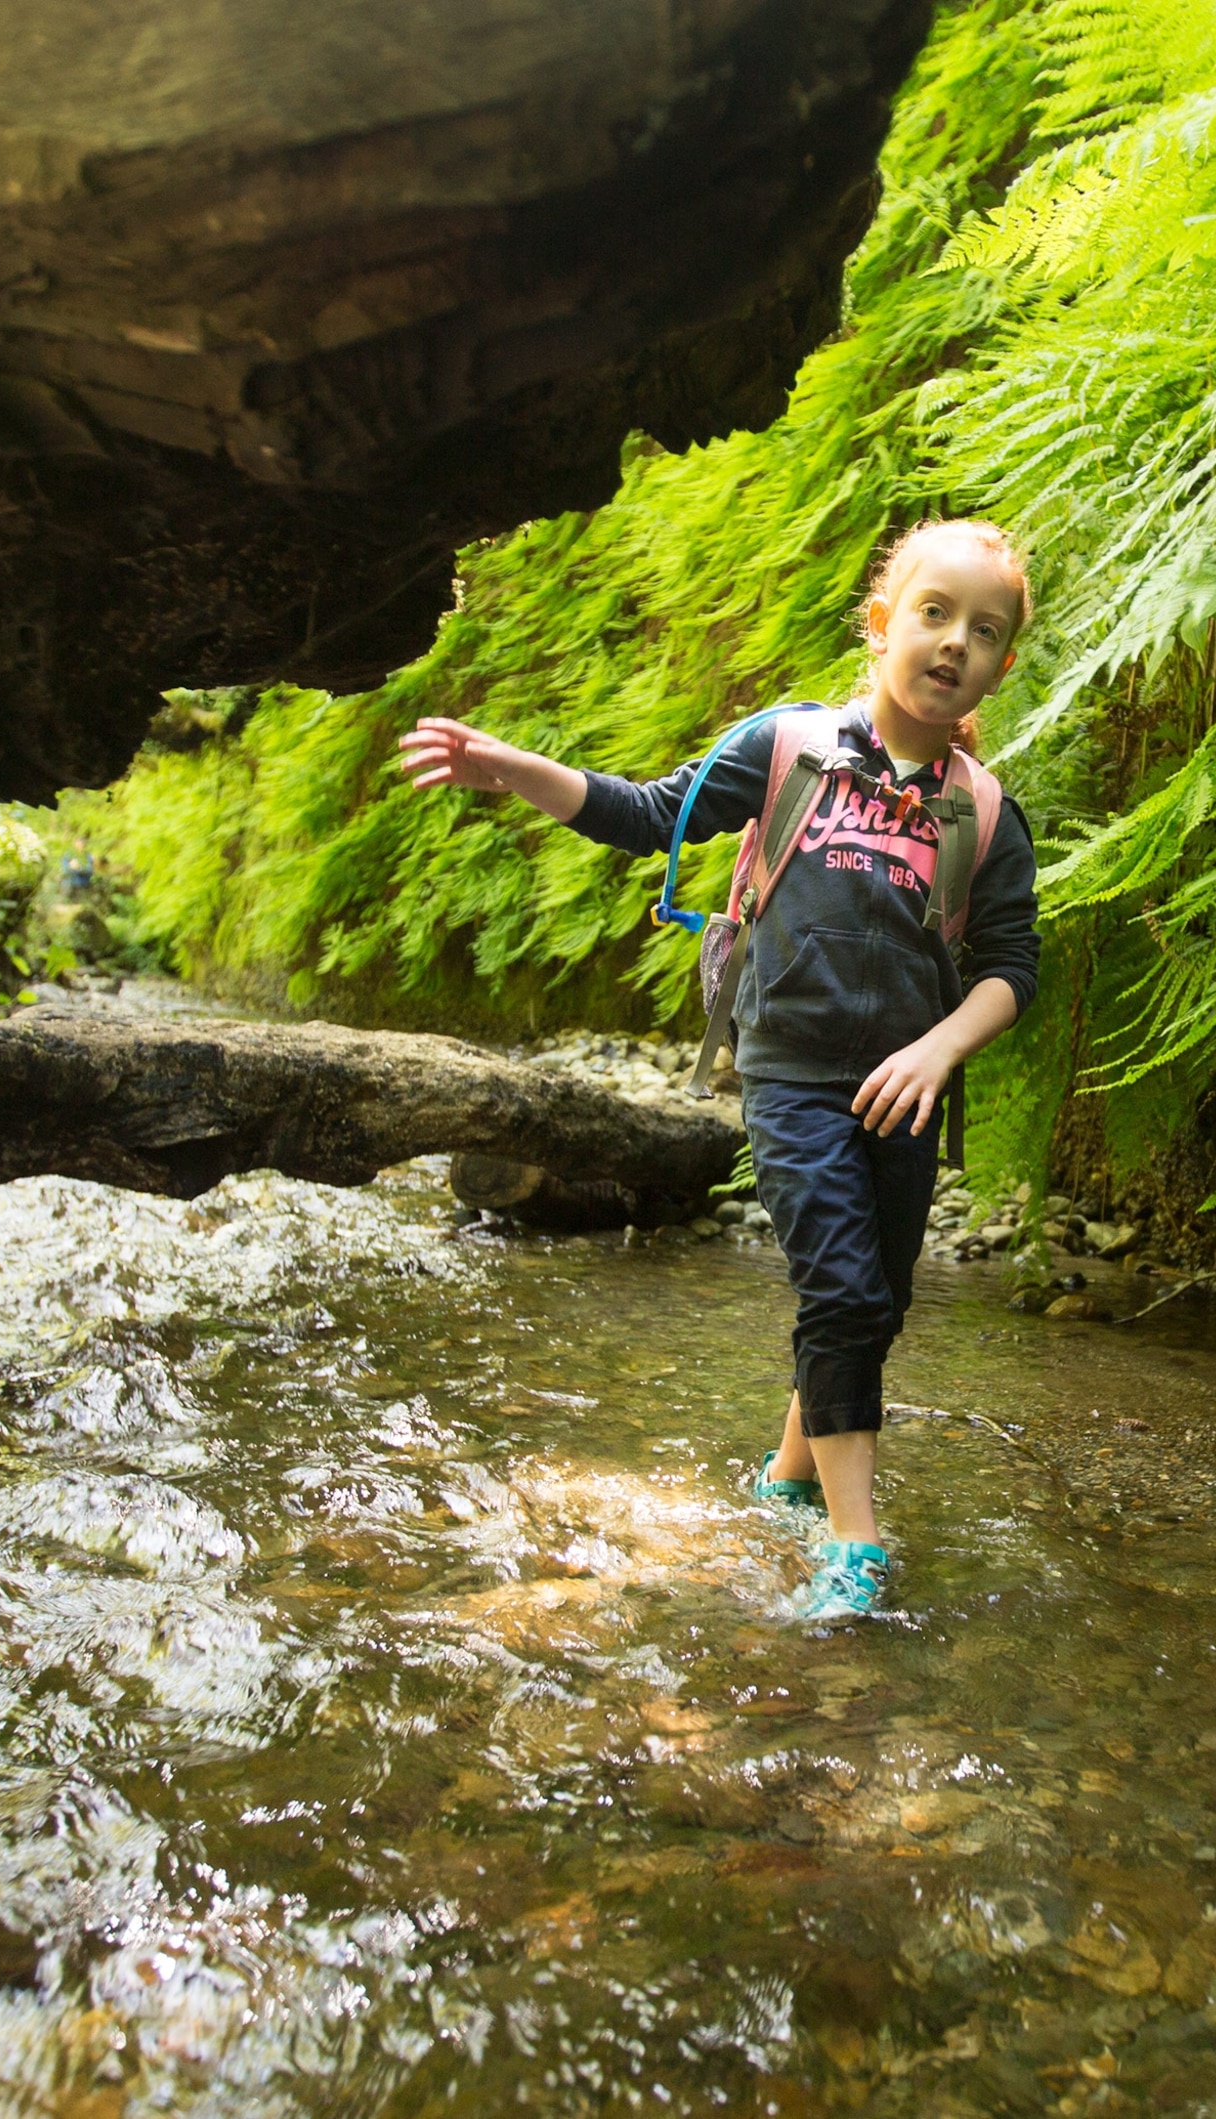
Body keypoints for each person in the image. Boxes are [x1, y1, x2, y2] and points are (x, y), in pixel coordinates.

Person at [394, 520, 1042, 1620]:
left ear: (1000, 667)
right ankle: (858, 1542)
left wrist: (941, 1047)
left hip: (907, 1083)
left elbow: (1011, 968)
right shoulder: (789, 748)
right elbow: (651, 814)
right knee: (838, 1285)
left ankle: (790, 1475)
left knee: (874, 1304)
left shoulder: (984, 812)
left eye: (982, 632)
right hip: (788, 1070)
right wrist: (511, 768)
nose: (952, 643)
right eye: (933, 613)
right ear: (882, 623)